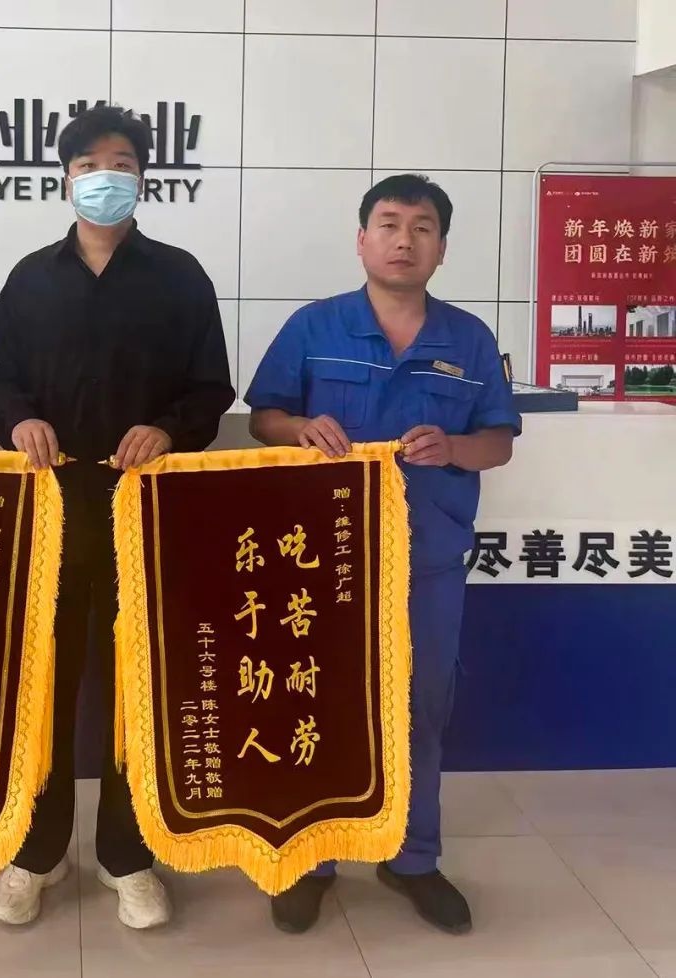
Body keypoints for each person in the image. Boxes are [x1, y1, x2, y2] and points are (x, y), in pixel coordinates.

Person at [245, 174, 519, 936]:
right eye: (390, 224)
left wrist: (455, 447)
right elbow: (263, 416)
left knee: (420, 709)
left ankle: (413, 858)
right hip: (320, 562)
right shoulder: (315, 327)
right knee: (317, 702)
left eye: (422, 227)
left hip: (427, 558)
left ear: (442, 247)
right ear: (362, 239)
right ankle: (312, 859)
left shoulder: (467, 340)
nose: (405, 240)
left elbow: (498, 441)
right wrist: (298, 430)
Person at [0, 105, 235, 930]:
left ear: (143, 178)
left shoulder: (180, 277)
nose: (105, 177)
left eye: (121, 162)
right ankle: (37, 852)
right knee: (43, 685)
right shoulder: (30, 279)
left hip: (143, 515)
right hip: (52, 514)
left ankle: (129, 856)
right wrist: (19, 418)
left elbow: (211, 388)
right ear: (65, 177)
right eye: (89, 163)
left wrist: (169, 430)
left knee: (136, 688)